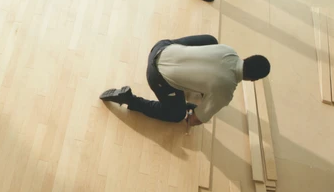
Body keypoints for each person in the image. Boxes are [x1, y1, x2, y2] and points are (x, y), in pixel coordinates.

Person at [99, 35, 270, 126]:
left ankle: (182, 89)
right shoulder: (226, 91)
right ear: (253, 79)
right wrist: (190, 117)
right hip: (157, 75)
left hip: (162, 47)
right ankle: (130, 100)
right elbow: (195, 119)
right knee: (176, 114)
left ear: (248, 57)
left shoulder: (229, 51)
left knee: (211, 41)